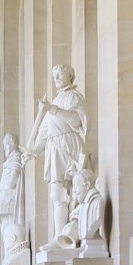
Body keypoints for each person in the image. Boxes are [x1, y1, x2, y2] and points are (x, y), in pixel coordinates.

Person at [25, 64, 88, 243]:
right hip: (54, 148)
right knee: (57, 193)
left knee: (76, 188)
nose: (57, 78)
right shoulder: (55, 100)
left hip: (69, 144)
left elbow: (77, 120)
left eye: (60, 74)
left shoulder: (73, 97)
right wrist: (33, 151)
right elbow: (44, 131)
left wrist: (51, 109)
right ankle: (58, 236)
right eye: (54, 76)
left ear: (71, 76)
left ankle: (74, 229)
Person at [0, 132, 28, 265]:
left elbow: (13, 179)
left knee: (8, 228)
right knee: (5, 228)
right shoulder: (11, 160)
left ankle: (9, 255)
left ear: (11, 144)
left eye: (6, 144)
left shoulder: (15, 158)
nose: (4, 147)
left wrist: (4, 189)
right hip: (6, 197)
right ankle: (7, 256)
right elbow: (4, 183)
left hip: (10, 199)